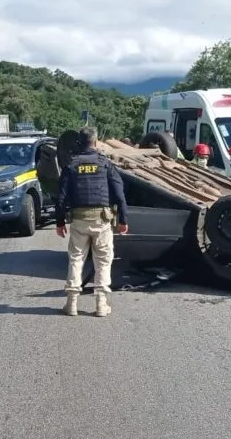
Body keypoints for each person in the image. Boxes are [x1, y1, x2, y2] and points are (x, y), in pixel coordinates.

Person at [55, 126, 129, 317]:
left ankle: (71, 304)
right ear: (95, 142)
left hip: (79, 220)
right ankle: (101, 305)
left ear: (80, 142)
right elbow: (119, 192)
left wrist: (59, 222)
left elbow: (61, 197)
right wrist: (123, 219)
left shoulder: (71, 164)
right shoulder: (104, 164)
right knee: (103, 261)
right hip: (102, 221)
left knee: (76, 259)